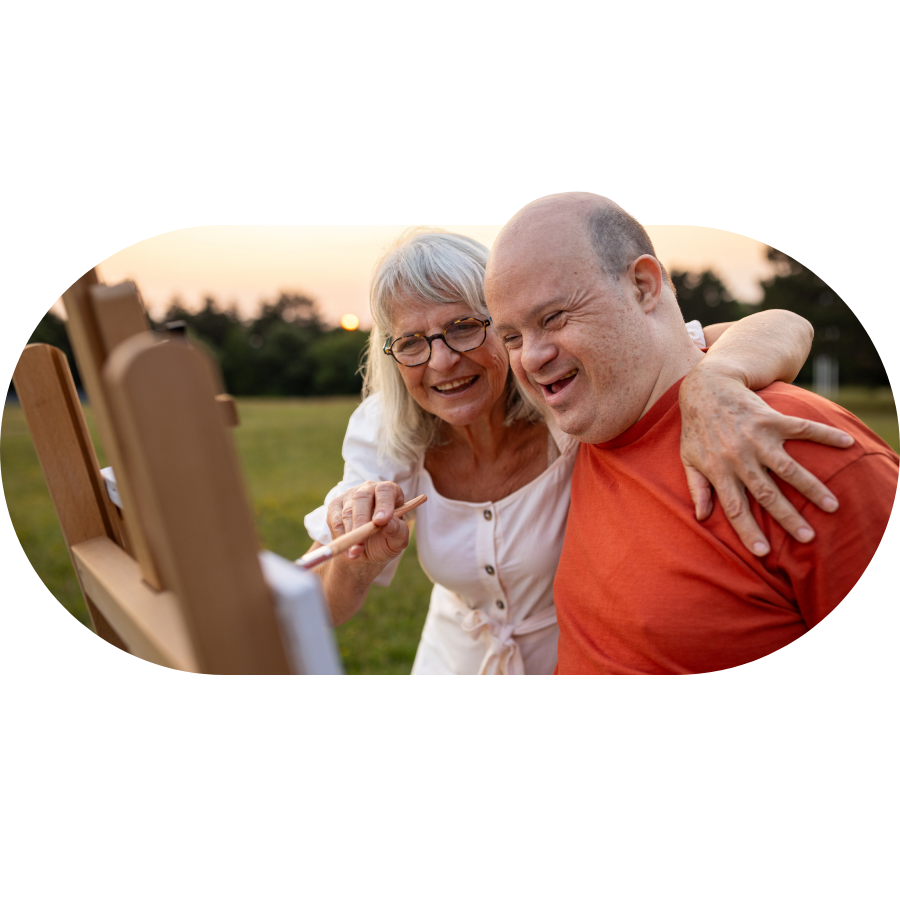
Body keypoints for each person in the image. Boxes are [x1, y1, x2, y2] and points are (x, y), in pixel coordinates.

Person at [304, 229, 851, 675]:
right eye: (412, 342)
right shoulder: (387, 429)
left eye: (464, 327)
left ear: (504, 322)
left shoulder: (567, 393)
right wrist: (358, 561)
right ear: (392, 353)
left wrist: (720, 376)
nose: (442, 361)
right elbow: (319, 608)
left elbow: (782, 324)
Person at [482, 194, 899, 675]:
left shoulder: (793, 445)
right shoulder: (584, 422)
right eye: (511, 337)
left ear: (642, 286)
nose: (530, 358)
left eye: (553, 318)